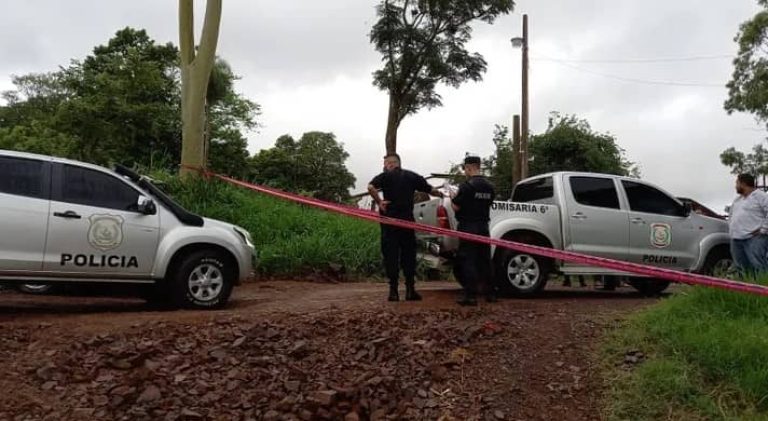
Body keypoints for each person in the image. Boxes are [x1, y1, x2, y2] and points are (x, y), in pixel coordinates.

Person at [368, 153, 444, 301]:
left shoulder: (384, 177)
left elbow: (371, 187)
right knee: (408, 255)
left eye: (385, 164)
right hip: (406, 222)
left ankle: (393, 292)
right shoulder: (411, 176)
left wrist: (379, 202)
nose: (384, 166)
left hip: (389, 222)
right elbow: (430, 189)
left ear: (392, 163)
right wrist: (442, 194)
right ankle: (410, 290)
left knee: (391, 255)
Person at [451, 155, 496, 306]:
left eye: (465, 169)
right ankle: (491, 294)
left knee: (468, 260)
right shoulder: (490, 186)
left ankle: (470, 296)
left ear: (469, 167)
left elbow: (456, 206)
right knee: (485, 260)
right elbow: (488, 203)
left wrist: (452, 197)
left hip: (468, 226)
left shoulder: (466, 186)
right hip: (484, 226)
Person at [729, 174, 768, 278]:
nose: (735, 186)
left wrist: (764, 229)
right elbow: (731, 215)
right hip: (736, 239)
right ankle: (746, 290)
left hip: (754, 238)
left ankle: (763, 289)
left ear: (743, 183)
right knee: (741, 267)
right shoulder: (737, 200)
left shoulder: (761, 196)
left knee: (758, 265)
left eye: (737, 183)